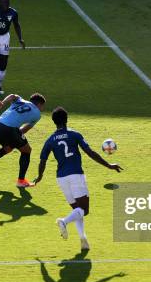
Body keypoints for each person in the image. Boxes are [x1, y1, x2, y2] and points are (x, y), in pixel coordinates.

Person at [33, 107, 123, 250]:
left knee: (77, 209)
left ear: (54, 122)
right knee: (84, 210)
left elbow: (42, 160)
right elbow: (90, 152)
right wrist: (108, 165)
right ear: (66, 119)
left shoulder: (50, 140)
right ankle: (63, 221)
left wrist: (40, 176)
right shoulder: (74, 135)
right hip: (75, 175)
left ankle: (83, 240)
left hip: (61, 178)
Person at [0, 93, 45, 188]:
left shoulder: (20, 100)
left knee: (8, 148)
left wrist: (3, 102)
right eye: (42, 106)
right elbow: (25, 129)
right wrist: (16, 137)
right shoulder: (37, 114)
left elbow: (12, 96)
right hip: (10, 128)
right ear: (39, 104)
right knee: (27, 150)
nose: (42, 109)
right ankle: (21, 181)